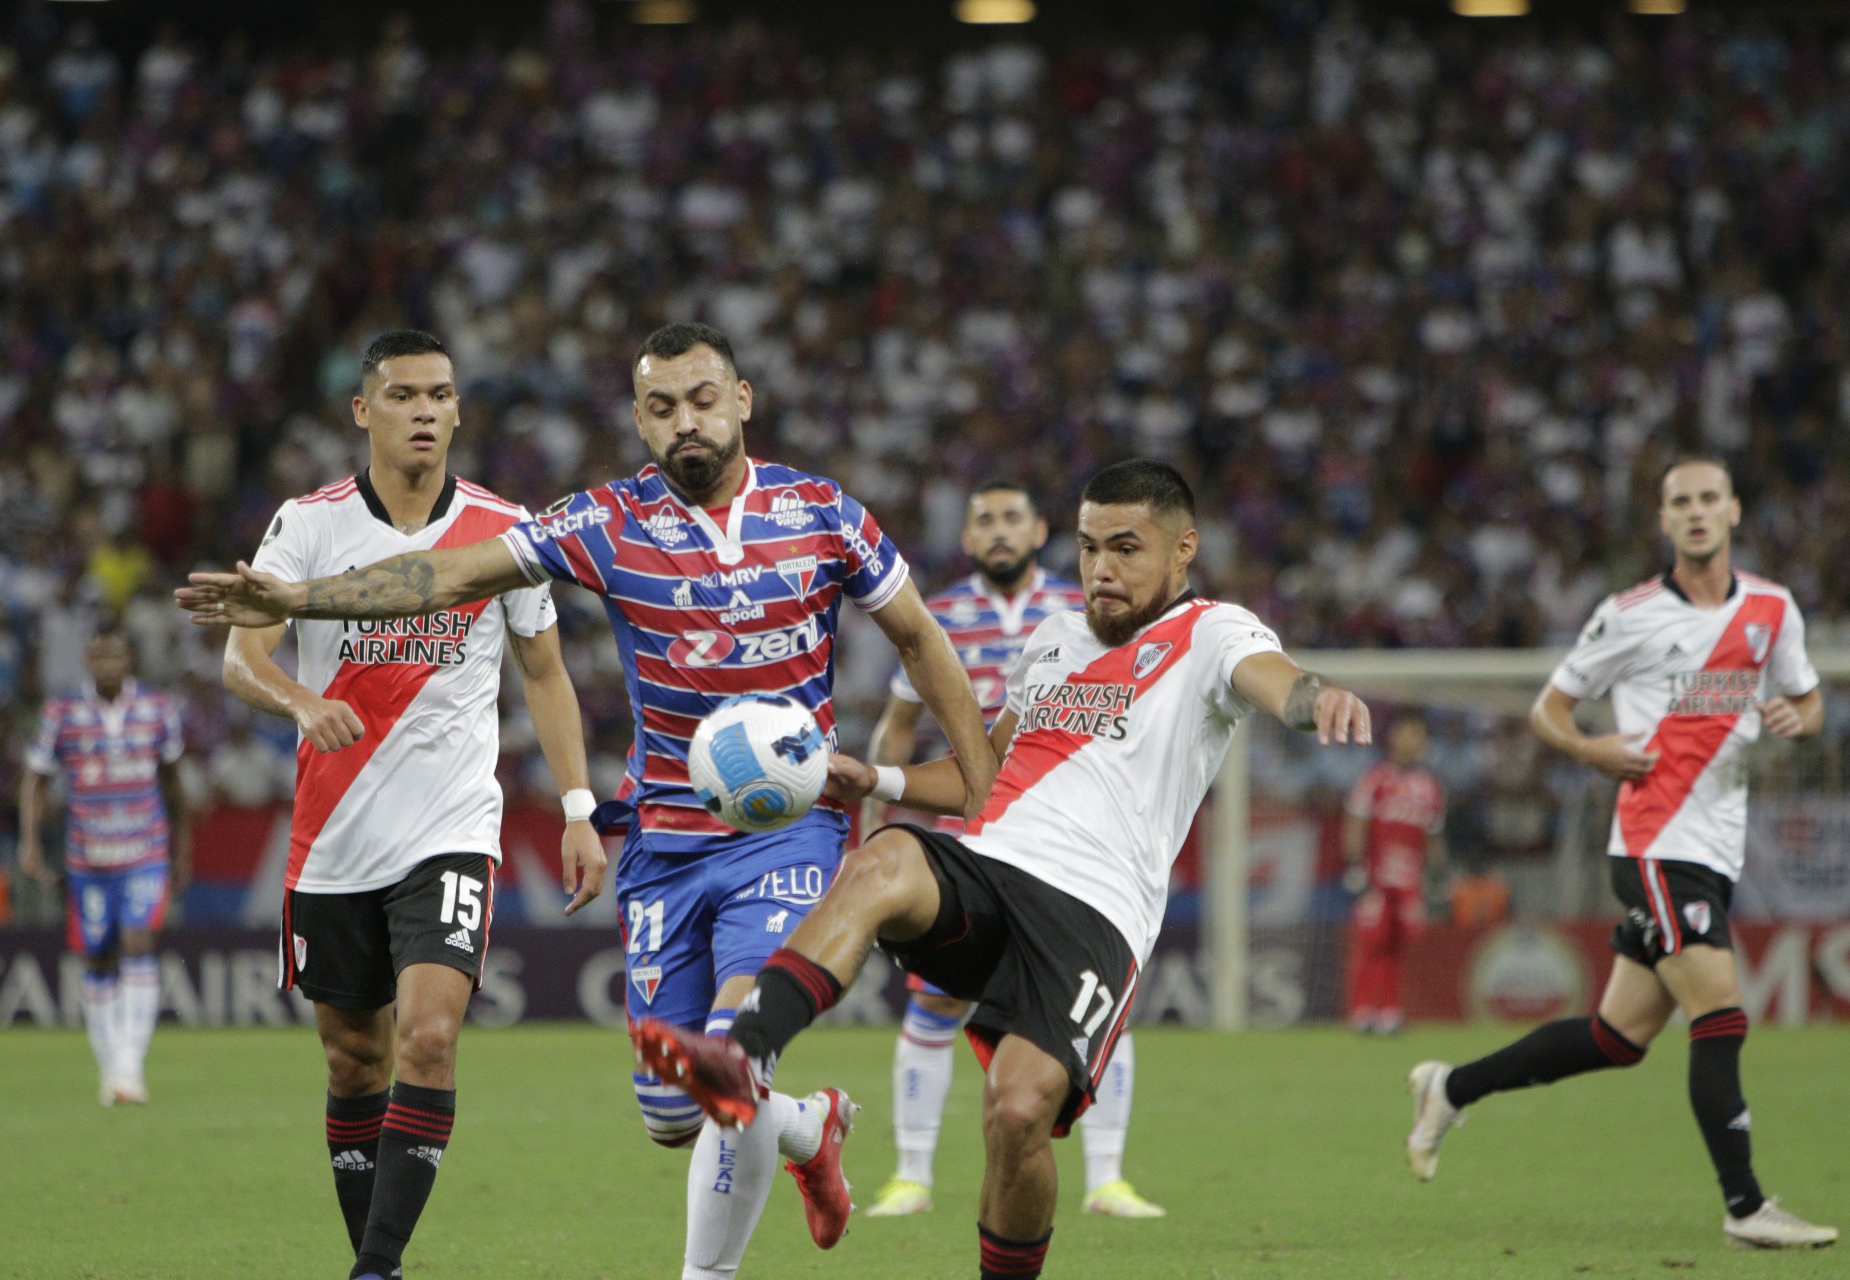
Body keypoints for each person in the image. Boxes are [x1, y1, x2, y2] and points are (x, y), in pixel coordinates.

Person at [179, 321, 996, 1279]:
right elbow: (448, 572)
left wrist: (982, 786)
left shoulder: (823, 513)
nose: (684, 421)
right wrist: (297, 602)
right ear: (639, 422)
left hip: (788, 833)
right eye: (660, 407)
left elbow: (919, 638)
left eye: (701, 399)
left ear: (742, 401)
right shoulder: (604, 521)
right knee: (670, 1114)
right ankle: (809, 1132)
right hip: (662, 844)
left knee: (735, 1052)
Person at [631, 459, 1372, 1280]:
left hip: (1095, 912)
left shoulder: (1212, 633)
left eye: (1127, 548)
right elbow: (982, 775)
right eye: (1090, 547)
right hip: (992, 864)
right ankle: (748, 1056)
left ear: (1182, 549)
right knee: (884, 859)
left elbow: (1275, 682)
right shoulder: (1054, 638)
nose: (1102, 569)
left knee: (1017, 1113)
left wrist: (1317, 697)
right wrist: (875, 778)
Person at [209, 330, 609, 1280]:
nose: (425, 411)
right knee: (356, 1064)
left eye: (441, 395)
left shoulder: (505, 529)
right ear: (364, 411)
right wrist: (304, 702)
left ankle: (375, 1270)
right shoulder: (307, 525)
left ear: (460, 409)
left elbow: (545, 673)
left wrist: (579, 806)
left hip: (452, 829)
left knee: (429, 1038)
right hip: (334, 837)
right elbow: (240, 657)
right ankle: (373, 1259)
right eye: (403, 395)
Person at [1406, 458, 1837, 1250]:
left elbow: (1809, 699)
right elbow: (1549, 710)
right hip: (1652, 844)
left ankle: (1450, 1087)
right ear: (1665, 520)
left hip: (1716, 849)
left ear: (1734, 510)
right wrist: (1591, 751)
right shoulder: (1628, 614)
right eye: (1682, 502)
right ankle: (1745, 1207)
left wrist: (1796, 719)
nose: (1698, 512)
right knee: (1721, 1011)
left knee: (1617, 1038)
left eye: (1710, 498)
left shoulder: (1773, 608)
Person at [860, 480, 1162, 1220]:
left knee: (1086, 1010)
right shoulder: (942, 616)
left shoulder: (1087, 611)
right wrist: (875, 817)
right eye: (984, 520)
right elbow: (899, 728)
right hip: (970, 836)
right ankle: (911, 1175)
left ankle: (1108, 1179)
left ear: (1039, 533)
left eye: (1012, 519)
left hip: (1074, 846)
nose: (998, 531)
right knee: (935, 1002)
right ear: (966, 539)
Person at [19, 623, 190, 1105]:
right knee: (97, 955)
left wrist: (183, 851)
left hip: (144, 850)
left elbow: (175, 783)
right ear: (87, 662)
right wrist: (30, 841)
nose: (107, 665)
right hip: (89, 858)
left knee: (138, 941)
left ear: (129, 659)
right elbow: (35, 779)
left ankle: (130, 1066)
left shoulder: (158, 710)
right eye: (98, 657)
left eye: (115, 656)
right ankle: (111, 1065)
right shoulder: (63, 713)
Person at [1340, 711, 1445, 1035]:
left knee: (1398, 947)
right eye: (1407, 734)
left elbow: (1433, 837)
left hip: (1409, 881)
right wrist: (1356, 868)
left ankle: (1388, 1011)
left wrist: (1438, 880)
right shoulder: (1374, 779)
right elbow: (1356, 825)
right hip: (1377, 877)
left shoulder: (1430, 788)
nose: (1413, 742)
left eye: (1418, 736)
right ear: (1393, 738)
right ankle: (1362, 1011)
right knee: (1371, 943)